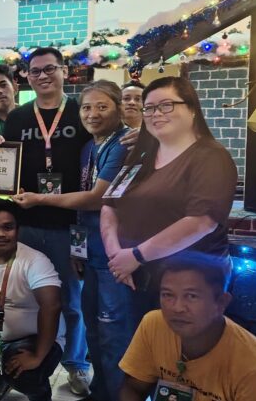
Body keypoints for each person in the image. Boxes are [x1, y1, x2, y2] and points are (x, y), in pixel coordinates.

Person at [13, 80, 133, 401]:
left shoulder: (124, 144)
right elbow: (83, 210)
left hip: (115, 253)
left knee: (113, 329)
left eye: (102, 106)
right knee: (94, 325)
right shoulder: (89, 147)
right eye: (87, 107)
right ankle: (101, 393)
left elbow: (97, 198)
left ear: (119, 108)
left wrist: (39, 198)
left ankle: (117, 397)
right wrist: (78, 250)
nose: (93, 114)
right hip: (91, 249)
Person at [101, 77, 238, 321]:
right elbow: (109, 206)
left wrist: (136, 255)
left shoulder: (211, 157)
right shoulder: (140, 158)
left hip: (188, 283)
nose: (156, 114)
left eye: (166, 105)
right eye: (149, 108)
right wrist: (116, 256)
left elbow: (201, 222)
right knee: (142, 340)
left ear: (192, 109)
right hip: (132, 275)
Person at [1, 47, 93, 393]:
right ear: (27, 77)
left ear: (64, 71)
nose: (43, 76)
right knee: (22, 299)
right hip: (26, 223)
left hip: (70, 225)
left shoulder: (81, 113)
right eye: (35, 71)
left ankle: (76, 364)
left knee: (72, 300)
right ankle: (15, 365)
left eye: (49, 69)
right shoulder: (17, 118)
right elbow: (7, 166)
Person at [119, 253, 256, 401]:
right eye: (168, 295)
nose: (177, 307)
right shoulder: (154, 324)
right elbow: (133, 388)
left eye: (191, 296)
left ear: (221, 303)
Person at [0, 199, 63, 401]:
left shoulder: (35, 261)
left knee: (24, 371)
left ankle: (40, 397)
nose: (1, 234)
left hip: (33, 338)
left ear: (18, 230)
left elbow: (51, 306)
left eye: (8, 227)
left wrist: (38, 355)